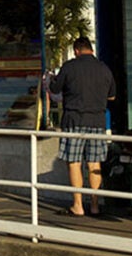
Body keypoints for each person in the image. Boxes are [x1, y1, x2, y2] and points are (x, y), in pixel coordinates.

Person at [49, 36, 116, 216]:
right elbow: (112, 96)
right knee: (95, 163)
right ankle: (94, 205)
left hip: (74, 119)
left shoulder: (70, 67)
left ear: (77, 50)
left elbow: (54, 90)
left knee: (74, 162)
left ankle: (78, 205)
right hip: (97, 121)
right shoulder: (104, 69)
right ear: (91, 50)